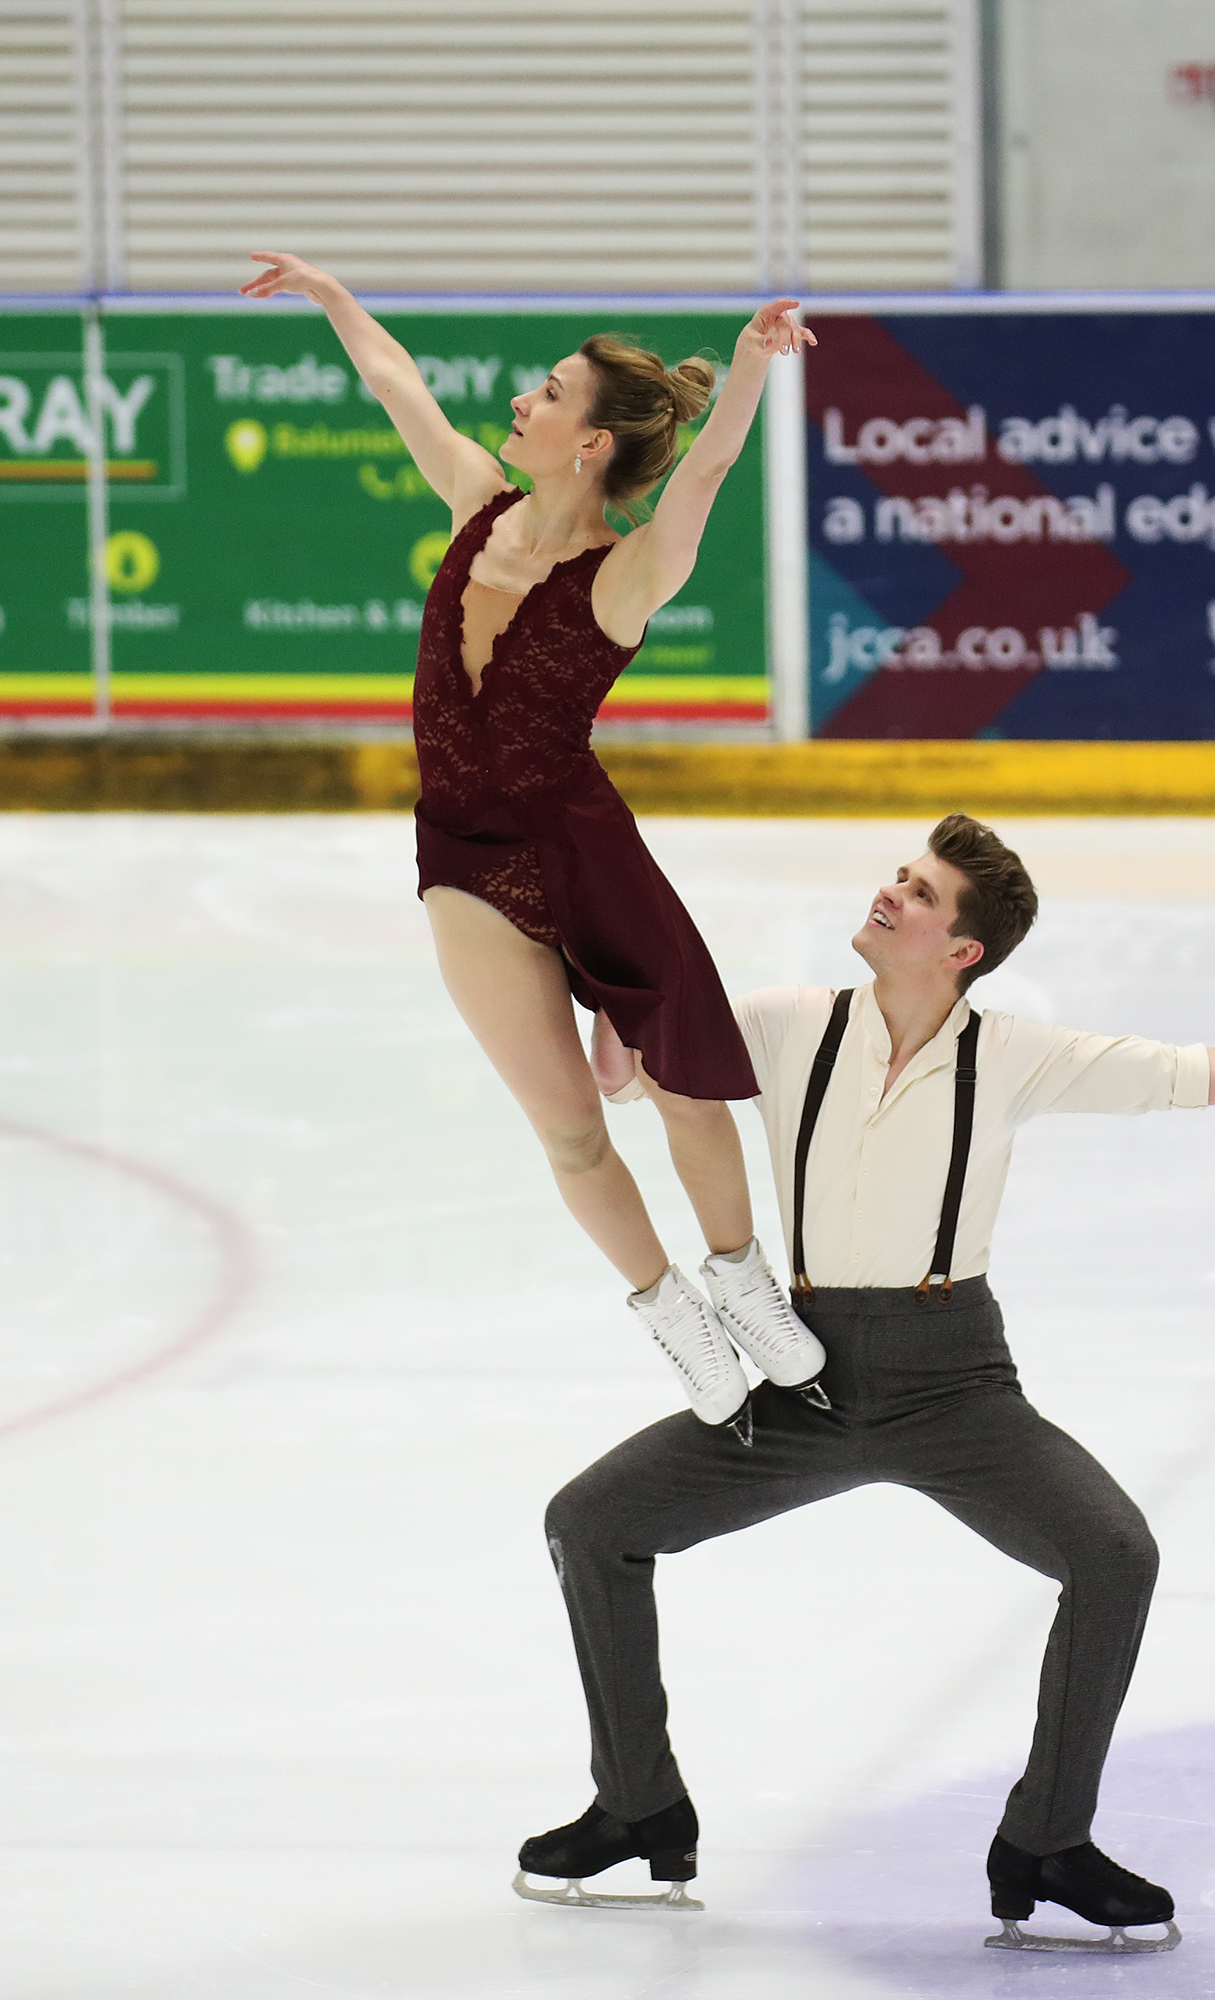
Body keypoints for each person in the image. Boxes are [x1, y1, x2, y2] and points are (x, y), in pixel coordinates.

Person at [515, 814, 1215, 1952]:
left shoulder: (1011, 1054)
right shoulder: (786, 1025)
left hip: (951, 1382)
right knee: (591, 1522)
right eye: (898, 876)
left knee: (1113, 1554)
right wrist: (615, 1033)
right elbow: (656, 1056)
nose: (890, 893)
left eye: (918, 892)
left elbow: (1182, 1074)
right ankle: (638, 1803)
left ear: (960, 948)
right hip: (800, 1373)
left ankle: (1045, 1841)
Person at [238, 252, 823, 1441]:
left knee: (681, 1086)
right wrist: (329, 294)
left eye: (548, 393)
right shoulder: (473, 506)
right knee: (565, 1125)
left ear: (591, 441)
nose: (521, 402)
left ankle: (740, 1280)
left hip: (581, 845)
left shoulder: (626, 573)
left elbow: (707, 469)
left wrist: (752, 368)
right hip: (464, 857)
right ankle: (671, 1315)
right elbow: (397, 384)